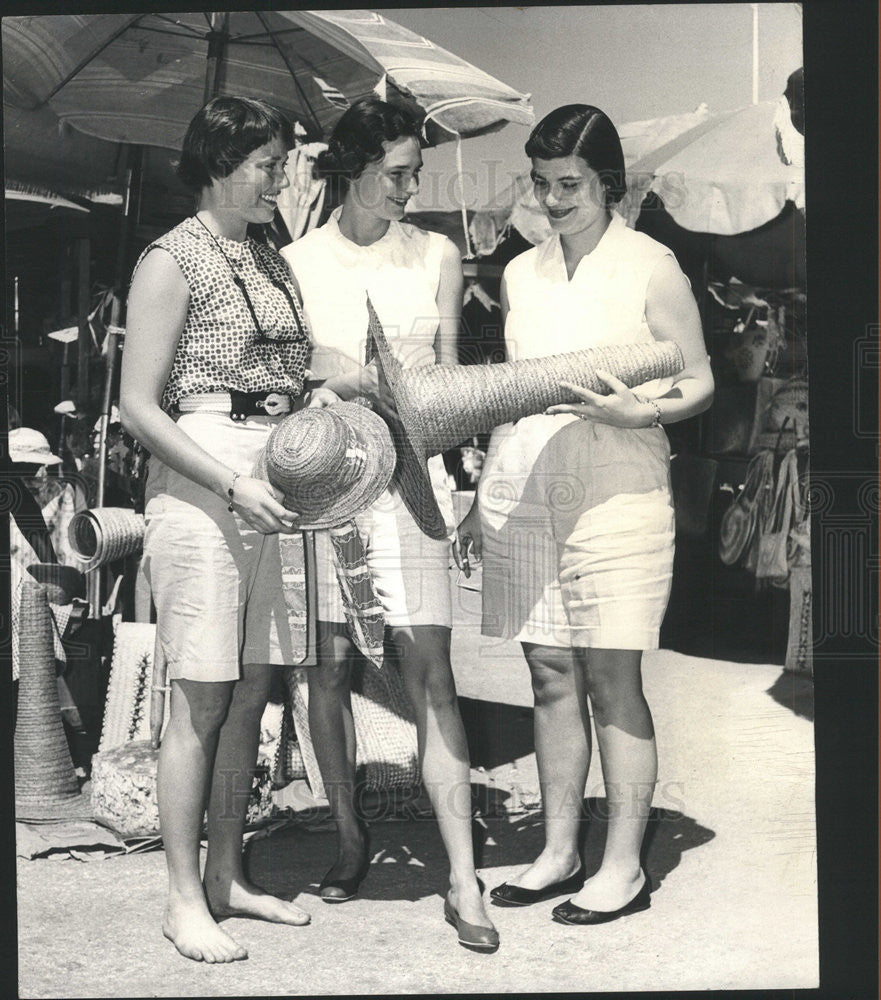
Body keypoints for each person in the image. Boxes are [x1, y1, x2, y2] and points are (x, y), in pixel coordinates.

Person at [455, 105, 714, 925]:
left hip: (620, 490)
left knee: (611, 676)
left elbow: (700, 380)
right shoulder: (520, 274)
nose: (554, 199)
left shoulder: (650, 265)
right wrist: (479, 497)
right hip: (529, 489)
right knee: (548, 674)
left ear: (607, 183)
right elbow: (514, 393)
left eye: (569, 184)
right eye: (541, 184)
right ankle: (559, 849)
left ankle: (622, 865)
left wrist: (645, 415)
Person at [120, 96, 336, 963]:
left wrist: (326, 389)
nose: (278, 178)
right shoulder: (171, 257)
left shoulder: (271, 256)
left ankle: (227, 877)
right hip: (204, 471)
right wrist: (230, 481)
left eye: (282, 163)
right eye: (264, 164)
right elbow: (138, 404)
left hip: (272, 472)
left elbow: (289, 365)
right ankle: (181, 897)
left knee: (252, 691)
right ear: (218, 161)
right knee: (201, 694)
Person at [281, 97, 498, 952]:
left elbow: (448, 377)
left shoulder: (437, 254)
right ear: (355, 165)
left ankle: (462, 876)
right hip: (326, 487)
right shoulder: (294, 261)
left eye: (417, 172)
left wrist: (458, 468)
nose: (411, 188)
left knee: (430, 673)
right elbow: (288, 379)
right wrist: (329, 377)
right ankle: (347, 834)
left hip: (413, 487)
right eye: (399, 172)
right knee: (326, 673)